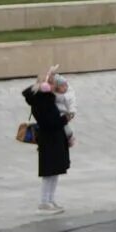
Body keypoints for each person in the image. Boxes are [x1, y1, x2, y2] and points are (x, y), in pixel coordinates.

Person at [21, 66, 72, 213]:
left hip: (55, 138)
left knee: (54, 171)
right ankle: (44, 202)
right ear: (43, 85)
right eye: (50, 83)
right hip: (49, 138)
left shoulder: (46, 98)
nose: (53, 86)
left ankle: (50, 199)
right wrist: (65, 119)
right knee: (49, 172)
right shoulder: (41, 100)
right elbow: (49, 122)